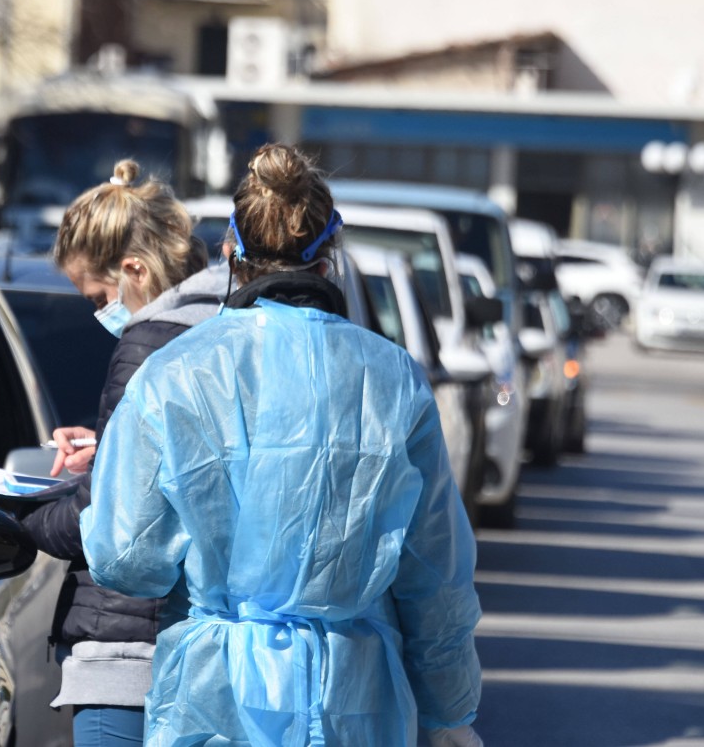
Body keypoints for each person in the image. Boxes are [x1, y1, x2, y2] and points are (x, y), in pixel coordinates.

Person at [81, 143, 484, 747]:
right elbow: (436, 577)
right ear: (331, 259)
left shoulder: (175, 373)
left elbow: (125, 559)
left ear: (228, 253)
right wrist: (451, 714)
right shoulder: (392, 377)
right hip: (354, 703)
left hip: (215, 704)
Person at [20, 159, 228, 747]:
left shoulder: (148, 341)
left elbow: (105, 525)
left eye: (99, 295)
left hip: (132, 649)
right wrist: (110, 448)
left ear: (134, 269)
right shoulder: (225, 322)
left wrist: (15, 513)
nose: (98, 312)